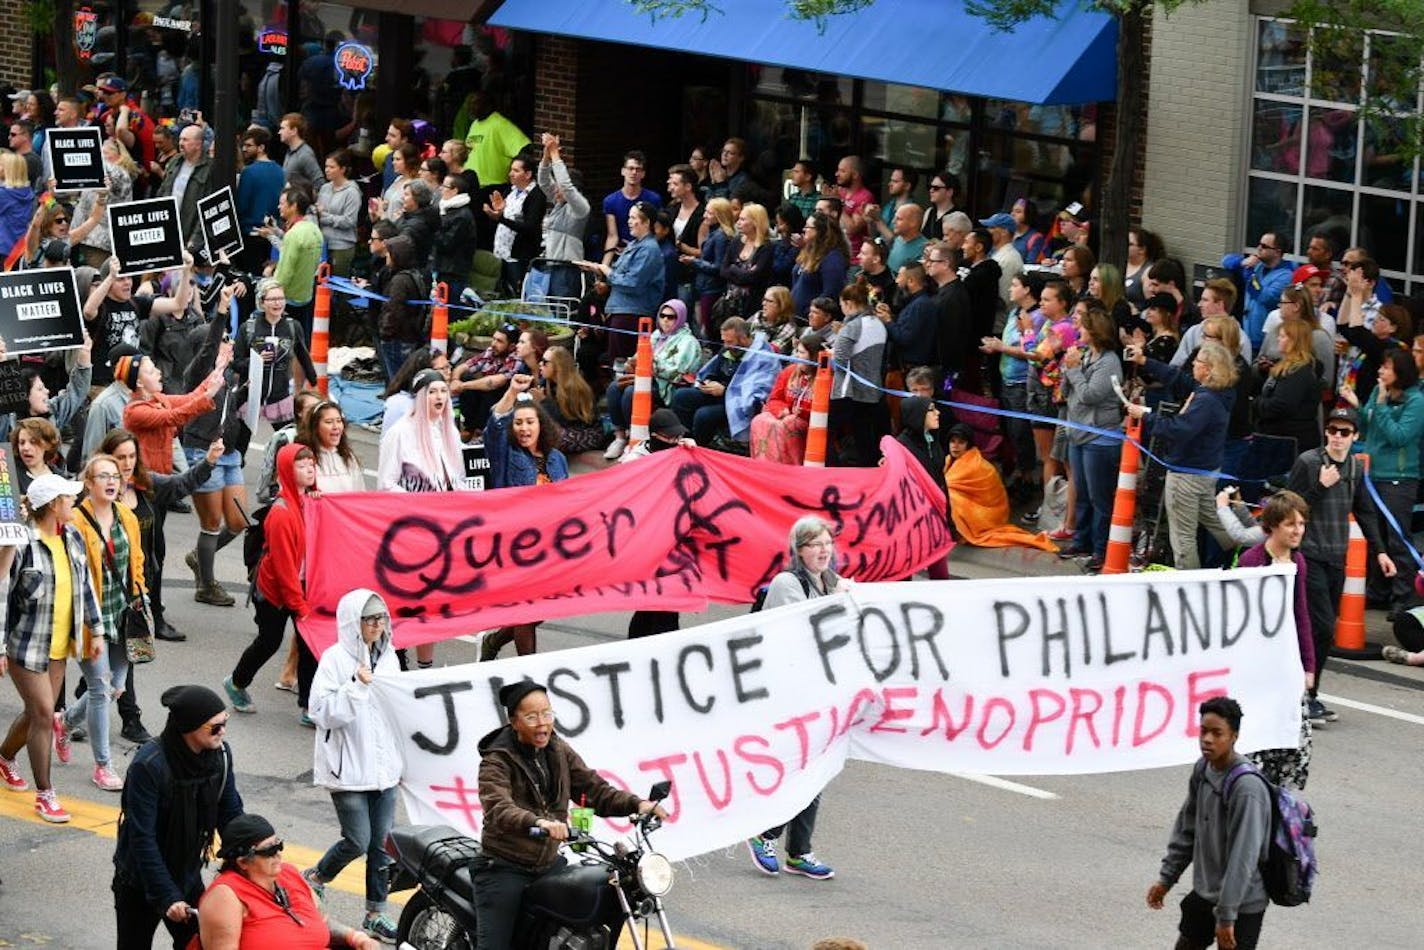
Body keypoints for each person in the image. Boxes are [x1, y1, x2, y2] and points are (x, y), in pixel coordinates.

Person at [473, 680, 668, 950]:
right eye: (531, 717)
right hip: (505, 866)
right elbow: (498, 808)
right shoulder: (497, 760)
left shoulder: (558, 750)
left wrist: (638, 805)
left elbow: (594, 790)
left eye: (546, 714)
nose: (542, 723)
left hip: (548, 864)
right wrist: (538, 821)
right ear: (513, 722)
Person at [746, 517, 847, 882]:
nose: (823, 550)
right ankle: (765, 834)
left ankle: (799, 851)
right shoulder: (788, 583)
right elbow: (802, 630)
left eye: (827, 543)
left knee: (817, 770)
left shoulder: (831, 582)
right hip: (785, 695)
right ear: (798, 550)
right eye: (814, 544)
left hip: (819, 694)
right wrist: (840, 605)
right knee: (798, 768)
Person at [0, 474, 102, 824]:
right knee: (45, 714)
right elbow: (1, 595)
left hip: (59, 645)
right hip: (25, 645)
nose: (74, 501)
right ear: (52, 505)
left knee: (34, 714)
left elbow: (85, 584)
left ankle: (3, 756)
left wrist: (97, 629)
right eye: (68, 498)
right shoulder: (21, 543)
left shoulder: (71, 536)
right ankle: (46, 795)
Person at [301, 590, 402, 944]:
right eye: (370, 619)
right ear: (352, 622)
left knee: (382, 845)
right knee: (358, 840)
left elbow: (395, 709)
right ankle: (316, 876)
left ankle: (376, 912)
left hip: (384, 769)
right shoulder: (333, 659)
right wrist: (356, 685)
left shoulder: (389, 656)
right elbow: (322, 712)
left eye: (381, 618)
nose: (377, 625)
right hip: (347, 770)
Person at [1286, 406, 1394, 726]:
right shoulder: (1308, 462)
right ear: (1326, 432)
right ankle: (1305, 695)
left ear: (1355, 437)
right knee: (1319, 627)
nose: (1337, 437)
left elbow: (1366, 511)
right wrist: (1319, 486)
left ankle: (1307, 693)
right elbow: (1287, 508)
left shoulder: (1354, 468)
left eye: (1344, 432)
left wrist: (1381, 552)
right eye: (1333, 430)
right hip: (1307, 556)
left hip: (1337, 557)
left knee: (1321, 630)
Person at [112, 684, 241, 949]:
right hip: (140, 880)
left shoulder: (220, 756)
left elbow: (231, 815)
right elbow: (142, 838)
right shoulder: (148, 766)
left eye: (224, 723)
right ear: (188, 728)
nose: (223, 732)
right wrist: (167, 895)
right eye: (214, 726)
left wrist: (251, 854)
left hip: (187, 873)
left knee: (200, 943)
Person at [1147, 697, 1272, 950]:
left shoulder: (1247, 788)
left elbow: (1243, 858)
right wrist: (1167, 878)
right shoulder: (1203, 769)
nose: (1207, 739)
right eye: (1204, 731)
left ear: (1234, 736)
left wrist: (1226, 916)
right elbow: (1187, 829)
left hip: (1242, 903)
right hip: (1206, 893)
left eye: (1217, 733)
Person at [63, 453, 148, 793]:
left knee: (116, 687)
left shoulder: (126, 515)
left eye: (115, 476)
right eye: (103, 476)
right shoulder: (76, 522)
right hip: (91, 616)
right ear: (88, 483)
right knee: (100, 689)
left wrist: (141, 593)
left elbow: (137, 560)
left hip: (126, 614)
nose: (112, 481)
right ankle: (103, 766)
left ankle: (65, 722)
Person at [1226, 490, 1316, 790]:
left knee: (1293, 739)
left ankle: (1280, 799)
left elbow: (1300, 613)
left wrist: (1308, 666)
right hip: (1258, 663)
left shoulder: (1298, 562)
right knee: (1257, 740)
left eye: (1301, 524)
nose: (1298, 530)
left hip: (1286, 660)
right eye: (1291, 524)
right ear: (1273, 526)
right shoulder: (1252, 562)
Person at [1125, 341, 1241, 569]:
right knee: (1214, 520)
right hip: (1206, 471)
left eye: (1197, 362)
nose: (1193, 366)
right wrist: (1145, 361)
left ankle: (1189, 586)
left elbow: (1179, 429)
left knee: (1183, 538)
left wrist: (1145, 417)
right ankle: (1247, 548)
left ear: (1208, 369)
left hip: (1186, 474)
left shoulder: (1206, 400)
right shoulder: (1221, 392)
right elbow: (1178, 378)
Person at [223, 445, 319, 719]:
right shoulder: (281, 513)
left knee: (308, 646)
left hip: (299, 586)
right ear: (287, 472)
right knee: (269, 641)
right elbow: (284, 567)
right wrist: (298, 604)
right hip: (274, 592)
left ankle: (308, 706)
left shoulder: (310, 501)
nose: (310, 468)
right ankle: (236, 682)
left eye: (311, 463)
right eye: (301, 466)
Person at [480, 378, 569, 660]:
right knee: (526, 611)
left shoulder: (557, 459)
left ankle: (495, 640)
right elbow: (494, 426)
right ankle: (528, 673)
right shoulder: (505, 453)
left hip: (550, 547)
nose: (524, 428)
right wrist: (512, 392)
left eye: (530, 422)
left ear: (541, 425)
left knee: (541, 610)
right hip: (514, 546)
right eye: (518, 423)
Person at [196, 813, 380, 949]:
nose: (278, 853)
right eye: (269, 850)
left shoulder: (290, 873)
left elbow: (322, 921)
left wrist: (356, 938)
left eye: (279, 845)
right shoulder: (225, 896)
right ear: (243, 862)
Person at [1340, 347, 1423, 616]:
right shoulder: (1379, 393)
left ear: (1400, 372)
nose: (1380, 371)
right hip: (1371, 474)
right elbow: (1368, 428)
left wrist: (1382, 406)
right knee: (1375, 537)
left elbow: (1399, 436)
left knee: (1397, 538)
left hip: (1399, 478)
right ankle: (1378, 591)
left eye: (1386, 368)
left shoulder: (1416, 402)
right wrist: (1359, 406)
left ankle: (1404, 596)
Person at [1058, 299, 1123, 571]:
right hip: (1078, 433)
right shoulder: (1086, 356)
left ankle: (1100, 548)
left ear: (1094, 332)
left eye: (1082, 327)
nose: (1078, 331)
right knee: (1082, 492)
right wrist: (1068, 369)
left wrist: (1073, 372)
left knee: (1099, 497)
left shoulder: (1108, 363)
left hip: (1099, 437)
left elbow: (1089, 395)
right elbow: (1066, 391)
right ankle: (1081, 539)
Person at [604, 299, 702, 458]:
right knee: (614, 388)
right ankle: (620, 437)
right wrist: (632, 363)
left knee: (631, 393)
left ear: (681, 318)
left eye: (671, 317)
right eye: (662, 315)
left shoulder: (688, 342)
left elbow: (676, 372)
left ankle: (635, 439)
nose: (665, 320)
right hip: (646, 379)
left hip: (667, 386)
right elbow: (638, 356)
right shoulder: (655, 335)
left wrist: (648, 365)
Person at [944, 422, 1057, 552]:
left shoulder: (974, 464)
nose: (955, 446)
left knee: (949, 496)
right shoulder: (949, 460)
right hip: (976, 508)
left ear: (968, 445)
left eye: (960, 442)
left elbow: (948, 485)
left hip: (989, 514)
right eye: (952, 441)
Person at [578, 200, 664, 366]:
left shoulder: (648, 249)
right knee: (613, 361)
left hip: (631, 313)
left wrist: (607, 271)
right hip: (619, 310)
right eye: (629, 217)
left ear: (647, 222)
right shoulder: (635, 245)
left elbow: (633, 283)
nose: (629, 222)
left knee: (621, 364)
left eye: (633, 218)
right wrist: (598, 270)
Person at [378, 368, 466, 493]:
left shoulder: (450, 432)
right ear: (420, 397)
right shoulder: (399, 432)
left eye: (443, 391)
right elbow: (386, 484)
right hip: (413, 507)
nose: (439, 397)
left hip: (447, 506)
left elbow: (460, 477)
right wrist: (417, 503)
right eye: (432, 392)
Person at [829, 282, 888, 466]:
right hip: (873, 389)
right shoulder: (879, 323)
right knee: (866, 439)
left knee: (827, 432)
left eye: (841, 305)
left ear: (849, 303)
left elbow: (839, 361)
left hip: (849, 391)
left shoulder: (852, 327)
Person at [751, 333, 822, 464]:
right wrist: (784, 410)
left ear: (814, 357)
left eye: (802, 353)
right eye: (797, 352)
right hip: (786, 415)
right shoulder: (789, 371)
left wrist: (802, 412)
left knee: (789, 424)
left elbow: (827, 409)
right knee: (759, 420)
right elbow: (774, 399)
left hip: (811, 423)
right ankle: (763, 464)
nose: (797, 357)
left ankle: (791, 467)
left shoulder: (824, 378)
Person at [537, 346, 602, 455]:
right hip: (562, 429)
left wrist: (543, 402)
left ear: (557, 366)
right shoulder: (546, 383)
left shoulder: (574, 388)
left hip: (586, 432)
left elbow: (567, 421)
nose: (540, 364)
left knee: (553, 438)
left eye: (545, 362)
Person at [298, 399, 365, 492]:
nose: (336, 426)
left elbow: (360, 493)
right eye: (329, 422)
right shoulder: (303, 458)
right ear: (315, 427)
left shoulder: (348, 457)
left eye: (339, 421)